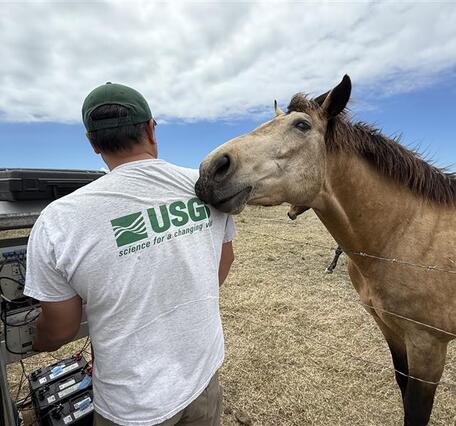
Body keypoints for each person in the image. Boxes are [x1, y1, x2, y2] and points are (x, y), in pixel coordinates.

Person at [24, 82, 235, 426]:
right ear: (151, 129)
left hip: (133, 406)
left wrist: (37, 341)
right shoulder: (204, 184)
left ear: (93, 143)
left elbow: (60, 330)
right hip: (203, 377)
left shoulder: (58, 219)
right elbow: (222, 264)